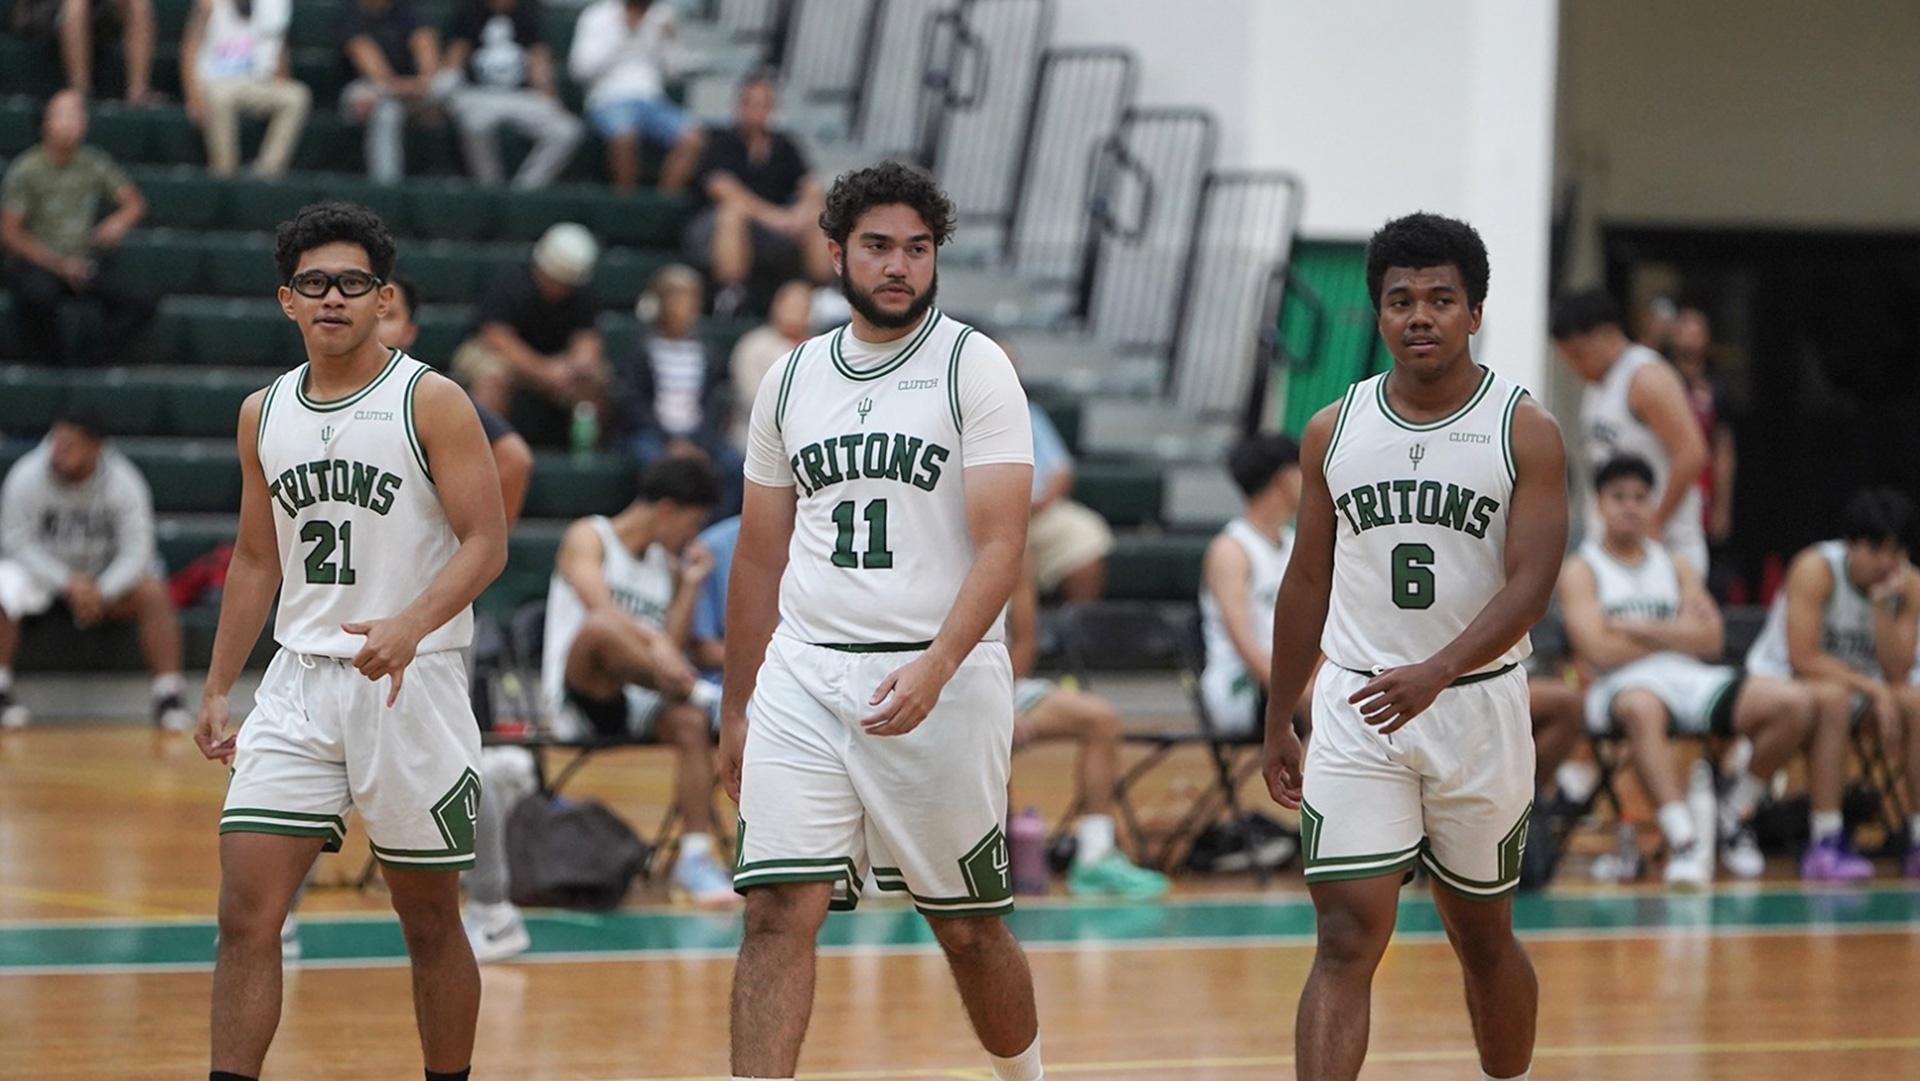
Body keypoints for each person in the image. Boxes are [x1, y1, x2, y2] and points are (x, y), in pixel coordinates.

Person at [720, 162, 1043, 1081]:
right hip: (805, 673)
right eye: (877, 246)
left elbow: (1002, 545)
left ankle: (1027, 1075)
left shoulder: (974, 366)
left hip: (941, 674)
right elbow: (756, 554)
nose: (898, 265)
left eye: (916, 247)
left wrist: (937, 667)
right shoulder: (790, 378)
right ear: (836, 253)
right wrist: (736, 705)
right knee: (777, 908)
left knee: (968, 929)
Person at [192, 202, 505, 1081]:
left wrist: (411, 623)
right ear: (287, 299)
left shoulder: (430, 399)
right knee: (245, 912)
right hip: (300, 681)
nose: (334, 298)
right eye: (315, 283)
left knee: (428, 919)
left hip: (414, 684)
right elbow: (258, 557)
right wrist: (220, 684)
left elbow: (488, 542)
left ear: (383, 297)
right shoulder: (263, 413)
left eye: (353, 283)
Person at [1262, 213, 1566, 1081]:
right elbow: (1306, 582)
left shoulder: (1524, 429)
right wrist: (1280, 711)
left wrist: (1440, 668)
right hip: (1360, 706)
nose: (1420, 315)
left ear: (1475, 312)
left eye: (1441, 298)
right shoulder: (1332, 427)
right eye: (1401, 301)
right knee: (1345, 934)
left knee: (1482, 935)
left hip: (1477, 705)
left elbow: (1530, 585)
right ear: (1378, 314)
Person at [1558, 456, 1832, 885]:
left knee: (1794, 702)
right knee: (1642, 707)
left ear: (1653, 505)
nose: (1630, 506)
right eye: (1618, 498)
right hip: (1618, 687)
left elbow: (1712, 639)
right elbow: (1597, 649)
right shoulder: (1582, 568)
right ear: (1599, 505)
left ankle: (1736, 811)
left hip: (1688, 679)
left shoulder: (1674, 563)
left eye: (1639, 498)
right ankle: (1684, 839)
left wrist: (1637, 626)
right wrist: (1678, 631)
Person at [1744, 488, 1920, 880]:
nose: (1886, 563)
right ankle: (1826, 840)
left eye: (1896, 552)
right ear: (1850, 545)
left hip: (1861, 688)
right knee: (1833, 698)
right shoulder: (1815, 568)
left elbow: (1898, 672)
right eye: (1876, 550)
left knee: (1916, 702)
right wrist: (1874, 691)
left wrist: (1881, 608)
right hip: (1786, 682)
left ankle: (1917, 839)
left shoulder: (1907, 585)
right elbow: (1803, 658)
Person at [0, 408, 189, 731]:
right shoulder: (26, 475)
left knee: (154, 592)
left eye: (69, 446)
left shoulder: (124, 481)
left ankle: (168, 694)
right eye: (55, 443)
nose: (57, 453)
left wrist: (101, 590)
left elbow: (138, 550)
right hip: (43, 578)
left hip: (103, 581)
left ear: (96, 447)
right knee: (3, 588)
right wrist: (67, 582)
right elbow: (15, 542)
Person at [1005, 568, 1169, 897]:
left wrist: (1001, 699)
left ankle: (1095, 857)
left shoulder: (1017, 544)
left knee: (1101, 720)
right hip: (942, 685)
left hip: (999, 680)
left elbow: (1024, 642)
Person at [1551, 288, 1709, 577]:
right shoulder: (1599, 384)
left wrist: (1655, 523)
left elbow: (1692, 453)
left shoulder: (1646, 378)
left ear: (1607, 334)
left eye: (1579, 354)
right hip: (1614, 545)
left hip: (1663, 548)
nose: (1575, 366)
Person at [1, 90, 156, 367]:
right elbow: (10, 233)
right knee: (38, 295)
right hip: (40, 262)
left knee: (142, 298)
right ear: (45, 122)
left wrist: (119, 220)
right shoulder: (27, 169)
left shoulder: (93, 162)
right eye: (64, 114)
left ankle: (91, 362)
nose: (73, 122)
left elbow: (135, 202)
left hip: (83, 261)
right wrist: (59, 264)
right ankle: (55, 365)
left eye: (78, 114)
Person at [380, 274, 533, 524]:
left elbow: (514, 459)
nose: (375, 327)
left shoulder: (425, 392)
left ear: (410, 332)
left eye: (387, 316)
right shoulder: (301, 389)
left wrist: (482, 551)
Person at [684, 71, 833, 316]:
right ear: (738, 106)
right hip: (714, 228)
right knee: (733, 211)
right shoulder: (719, 141)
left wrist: (800, 211)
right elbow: (723, 189)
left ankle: (824, 291)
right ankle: (730, 292)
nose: (758, 110)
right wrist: (774, 217)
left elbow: (811, 185)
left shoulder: (785, 145)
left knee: (818, 212)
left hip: (772, 229)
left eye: (765, 104)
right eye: (751, 103)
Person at [1200, 433, 1308, 736]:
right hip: (1243, 686)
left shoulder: (1293, 544)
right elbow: (1245, 645)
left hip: (1290, 682)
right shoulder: (1231, 549)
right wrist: (1300, 695)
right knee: (1336, 709)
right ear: (1284, 477)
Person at [477, 222, 605, 448]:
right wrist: (543, 370)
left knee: (595, 381)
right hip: (505, 357)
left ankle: (585, 458)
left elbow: (588, 340)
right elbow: (497, 338)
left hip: (557, 363)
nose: (560, 288)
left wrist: (579, 365)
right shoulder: (511, 282)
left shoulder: (581, 292)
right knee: (491, 378)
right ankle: (483, 452)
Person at [613, 264, 737, 480]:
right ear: (659, 302)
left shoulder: (708, 352)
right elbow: (632, 402)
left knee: (735, 465)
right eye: (677, 297)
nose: (685, 306)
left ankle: (714, 516)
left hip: (698, 437)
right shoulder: (641, 349)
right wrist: (670, 441)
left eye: (691, 298)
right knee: (651, 460)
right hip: (653, 435)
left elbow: (714, 402)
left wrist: (698, 443)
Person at [442, 0, 583, 189]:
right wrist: (451, 88)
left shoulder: (528, 13)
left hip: (520, 96)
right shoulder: (468, 12)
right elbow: (455, 61)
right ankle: (490, 189)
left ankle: (526, 190)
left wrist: (548, 93)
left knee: (567, 130)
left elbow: (538, 58)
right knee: (474, 123)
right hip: (478, 95)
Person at [568, 0, 702, 192]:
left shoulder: (660, 16)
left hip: (652, 100)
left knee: (693, 138)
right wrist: (624, 31)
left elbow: (674, 72)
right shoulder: (597, 15)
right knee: (624, 136)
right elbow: (580, 69)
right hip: (608, 99)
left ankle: (661, 206)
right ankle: (625, 204)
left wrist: (670, 40)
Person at [180, 0, 311, 178]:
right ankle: (224, 174)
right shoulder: (208, 4)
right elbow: (190, 47)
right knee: (219, 96)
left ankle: (266, 174)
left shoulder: (274, 4)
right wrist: (193, 98)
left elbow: (279, 48)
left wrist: (279, 82)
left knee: (297, 96)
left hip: (257, 83)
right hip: (216, 83)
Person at [336, 0, 450, 185]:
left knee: (449, 84)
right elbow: (375, 72)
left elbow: (427, 51)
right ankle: (387, 187)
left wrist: (421, 84)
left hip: (411, 91)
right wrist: (407, 88)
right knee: (386, 112)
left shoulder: (406, 9)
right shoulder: (351, 13)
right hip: (367, 89)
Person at [1667, 306, 1737, 557]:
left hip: (1702, 486)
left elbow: (1723, 448)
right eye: (1683, 329)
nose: (1689, 338)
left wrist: (1722, 507)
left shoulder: (1717, 388)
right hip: (1665, 479)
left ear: (1707, 339)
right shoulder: (1658, 380)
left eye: (1697, 332)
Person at [8, 0, 155, 103]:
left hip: (96, 11)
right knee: (76, 3)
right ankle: (81, 92)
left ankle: (138, 94)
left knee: (138, 3)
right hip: (42, 9)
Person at [727, 279, 813, 448]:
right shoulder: (753, 345)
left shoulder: (819, 347)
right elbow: (751, 397)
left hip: (812, 435)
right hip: (758, 433)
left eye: (804, 306)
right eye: (792, 305)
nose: (797, 312)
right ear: (777, 307)